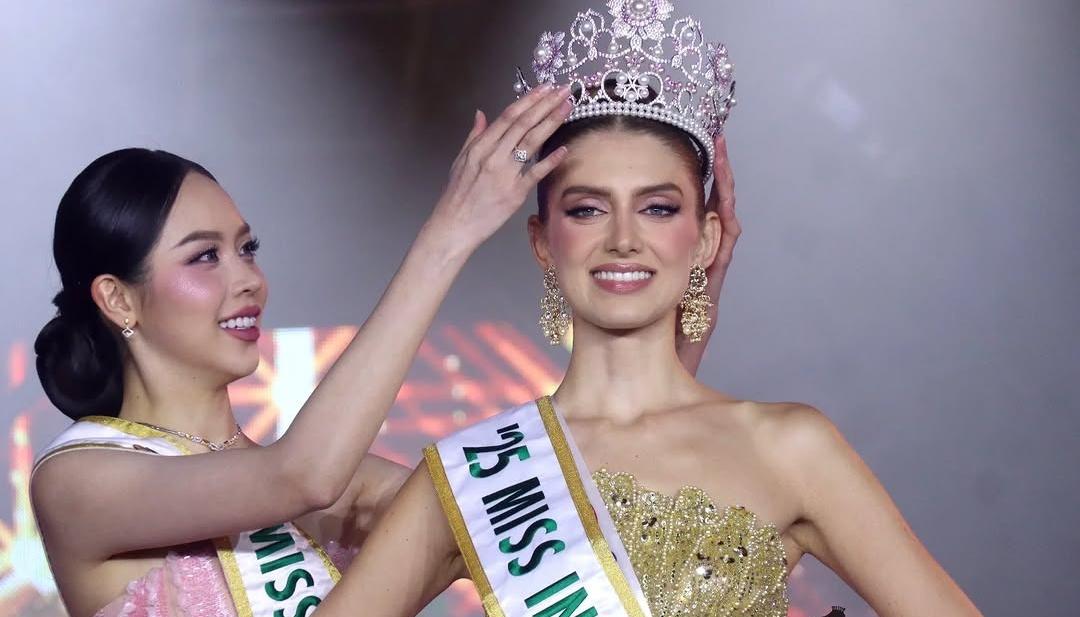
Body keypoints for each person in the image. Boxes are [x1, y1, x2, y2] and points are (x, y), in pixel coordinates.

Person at [319, 2, 984, 616]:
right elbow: (302, 472)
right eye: (586, 209)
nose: (624, 237)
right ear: (542, 242)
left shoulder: (790, 448)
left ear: (707, 237)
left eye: (658, 207)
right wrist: (448, 232)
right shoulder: (471, 476)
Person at [29, 85, 574, 617]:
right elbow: (302, 476)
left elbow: (501, 524)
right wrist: (450, 233)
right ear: (118, 299)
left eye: (247, 249)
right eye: (204, 257)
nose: (247, 278)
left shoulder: (333, 489)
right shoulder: (76, 482)